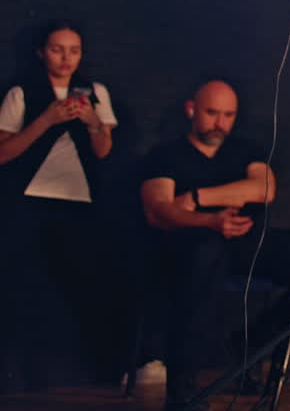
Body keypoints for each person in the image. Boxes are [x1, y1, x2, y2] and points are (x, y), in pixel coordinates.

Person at [140, 79, 275, 411]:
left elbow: (265, 189)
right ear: (191, 110)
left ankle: (251, 346)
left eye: (228, 115)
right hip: (188, 247)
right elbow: (159, 212)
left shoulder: (246, 150)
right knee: (203, 256)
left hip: (245, 243)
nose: (220, 123)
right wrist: (210, 221)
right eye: (213, 113)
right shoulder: (165, 155)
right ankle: (183, 391)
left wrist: (198, 198)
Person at [0, 20, 118, 391]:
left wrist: (93, 122)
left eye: (74, 50)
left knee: (73, 286)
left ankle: (68, 371)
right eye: (57, 49)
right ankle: (16, 372)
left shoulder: (95, 91)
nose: (66, 58)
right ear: (41, 52)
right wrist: (47, 119)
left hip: (78, 201)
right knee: (23, 286)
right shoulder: (22, 91)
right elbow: (4, 153)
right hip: (29, 200)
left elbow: (104, 150)